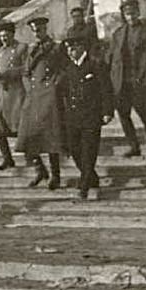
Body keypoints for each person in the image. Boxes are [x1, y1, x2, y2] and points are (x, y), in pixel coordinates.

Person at [15, 16, 67, 189]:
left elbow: (64, 69)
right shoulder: (30, 49)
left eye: (40, 29)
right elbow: (25, 72)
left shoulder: (56, 48)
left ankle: (56, 175)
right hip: (33, 95)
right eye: (35, 30)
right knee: (27, 135)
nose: (38, 33)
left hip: (49, 96)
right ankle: (40, 170)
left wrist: (54, 85)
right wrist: (28, 86)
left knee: (51, 136)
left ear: (46, 29)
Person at [59, 36, 113, 199]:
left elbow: (106, 90)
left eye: (73, 48)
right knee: (75, 150)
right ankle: (92, 177)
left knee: (89, 150)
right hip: (73, 117)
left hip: (91, 115)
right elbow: (64, 92)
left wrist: (107, 112)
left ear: (82, 47)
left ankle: (84, 185)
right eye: (68, 49)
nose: (70, 52)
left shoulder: (95, 65)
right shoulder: (68, 68)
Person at [107, 0, 146, 157]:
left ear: (138, 12)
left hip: (140, 79)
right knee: (123, 114)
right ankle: (134, 145)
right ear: (124, 15)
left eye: (133, 13)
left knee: (143, 111)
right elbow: (111, 57)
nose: (130, 17)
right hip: (122, 81)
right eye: (127, 14)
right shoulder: (118, 33)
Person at [0, 22, 28, 171]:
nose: (3, 38)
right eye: (1, 36)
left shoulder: (22, 48)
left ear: (12, 34)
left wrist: (10, 73)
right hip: (2, 92)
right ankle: (7, 158)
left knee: (21, 127)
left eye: (6, 35)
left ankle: (34, 161)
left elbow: (27, 67)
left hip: (17, 92)